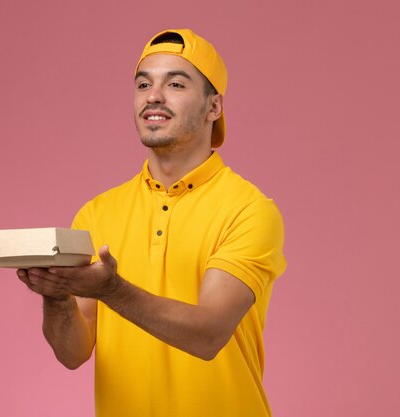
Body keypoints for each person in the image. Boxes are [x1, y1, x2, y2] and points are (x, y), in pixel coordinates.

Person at [17, 28, 286, 417]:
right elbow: (72, 353)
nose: (153, 95)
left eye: (175, 83)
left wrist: (112, 290)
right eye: (143, 83)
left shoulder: (248, 209)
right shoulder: (98, 212)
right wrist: (55, 293)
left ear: (214, 107)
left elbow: (209, 334)